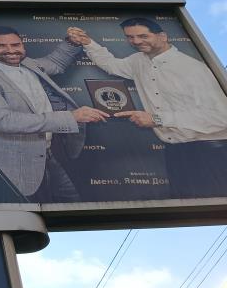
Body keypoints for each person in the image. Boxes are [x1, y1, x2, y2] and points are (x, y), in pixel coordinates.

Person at [68, 18, 227, 198]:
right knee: (187, 207)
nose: (136, 41)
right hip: (176, 151)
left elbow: (221, 116)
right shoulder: (138, 61)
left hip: (212, 151)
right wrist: (88, 43)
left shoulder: (194, 69)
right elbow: (112, 65)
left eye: (143, 36)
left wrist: (157, 119)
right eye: (130, 37)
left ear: (162, 36)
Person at [0, 26, 109, 202]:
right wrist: (71, 117)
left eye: (16, 45)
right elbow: (5, 121)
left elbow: (55, 63)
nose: (11, 50)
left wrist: (72, 42)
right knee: (23, 215)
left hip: (45, 155)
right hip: (10, 165)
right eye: (0, 46)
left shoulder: (27, 63)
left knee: (71, 205)